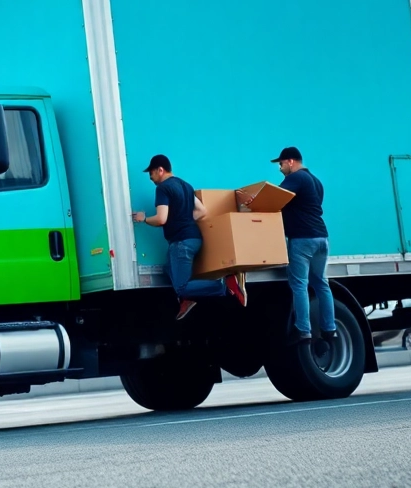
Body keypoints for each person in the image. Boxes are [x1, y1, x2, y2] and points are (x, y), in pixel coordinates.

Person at [132, 154, 247, 320]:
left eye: (152, 174)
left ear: (160, 170)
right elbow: (202, 211)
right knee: (168, 269)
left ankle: (225, 285)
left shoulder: (163, 188)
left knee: (182, 287)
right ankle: (186, 301)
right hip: (194, 238)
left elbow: (161, 219)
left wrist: (143, 219)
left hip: (181, 242)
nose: (152, 179)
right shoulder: (186, 186)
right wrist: (182, 219)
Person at [241, 147, 334, 344]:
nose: (280, 168)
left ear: (291, 161)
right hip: (322, 238)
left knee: (299, 284)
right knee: (321, 284)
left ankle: (303, 329)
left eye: (281, 164)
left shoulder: (296, 178)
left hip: (303, 239)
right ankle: (329, 328)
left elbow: (273, 199)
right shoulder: (316, 181)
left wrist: (251, 202)